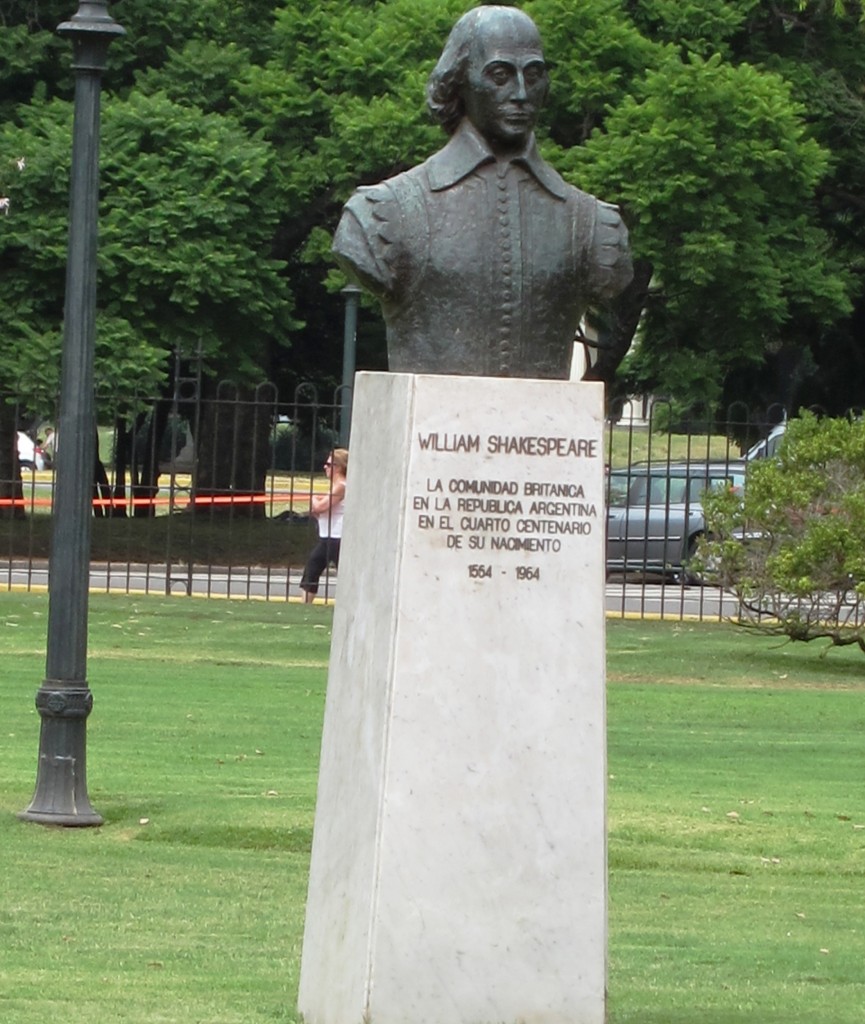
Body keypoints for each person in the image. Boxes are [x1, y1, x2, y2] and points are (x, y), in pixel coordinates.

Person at [332, 5, 633, 379]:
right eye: (500, 75)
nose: (522, 93)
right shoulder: (385, 213)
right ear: (459, 81)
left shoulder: (591, 223)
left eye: (534, 74)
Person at [300, 449, 348, 603]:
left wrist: (313, 498)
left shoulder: (341, 485)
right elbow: (324, 510)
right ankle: (305, 606)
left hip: (337, 537)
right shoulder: (335, 486)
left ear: (338, 467)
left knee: (345, 574)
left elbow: (320, 507)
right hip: (327, 536)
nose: (325, 467)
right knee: (312, 569)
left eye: (328, 464)